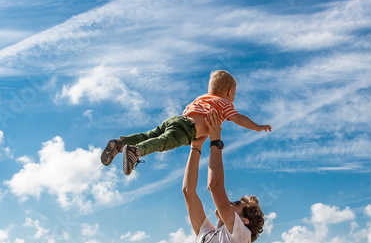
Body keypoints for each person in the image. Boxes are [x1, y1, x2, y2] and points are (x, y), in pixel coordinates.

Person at [101, 70, 272, 175]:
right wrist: (257, 126)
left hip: (177, 119)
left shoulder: (202, 98)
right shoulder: (224, 103)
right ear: (230, 92)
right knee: (163, 142)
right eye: (234, 95)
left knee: (149, 134)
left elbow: (188, 111)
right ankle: (136, 151)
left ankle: (121, 142)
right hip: (187, 129)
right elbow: (238, 118)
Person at [183, 109, 265, 243]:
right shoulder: (206, 233)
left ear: (243, 221)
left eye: (236, 203)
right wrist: (196, 146)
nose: (229, 202)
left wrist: (215, 139)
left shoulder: (240, 237)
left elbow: (215, 186)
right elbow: (188, 191)